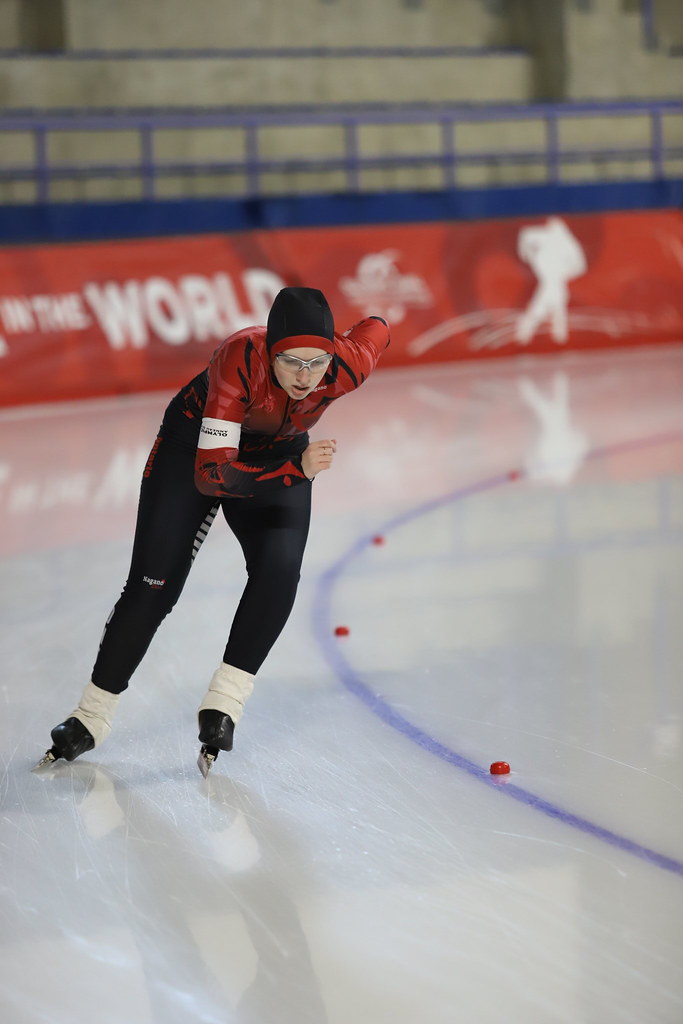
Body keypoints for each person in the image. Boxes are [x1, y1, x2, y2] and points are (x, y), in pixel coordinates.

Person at [38, 287, 390, 773]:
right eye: (291, 362)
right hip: (194, 450)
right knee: (153, 586)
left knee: (280, 570)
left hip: (280, 450)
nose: (305, 377)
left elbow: (377, 328)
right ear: (271, 352)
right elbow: (213, 476)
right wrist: (297, 471)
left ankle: (224, 704)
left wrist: (342, 341)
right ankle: (89, 717)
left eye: (317, 363)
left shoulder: (346, 365)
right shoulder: (240, 357)